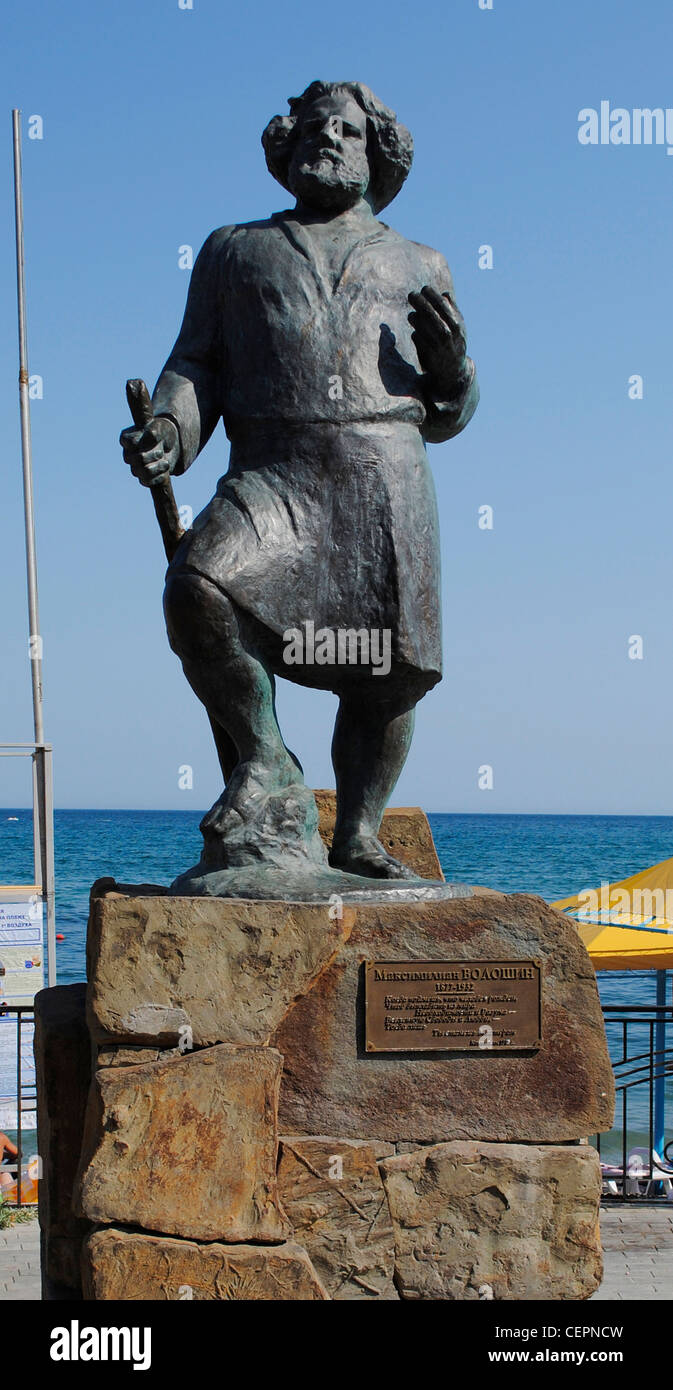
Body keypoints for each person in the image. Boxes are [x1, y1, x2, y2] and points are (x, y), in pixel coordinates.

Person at [121, 80, 478, 882]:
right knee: (198, 588)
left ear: (376, 152)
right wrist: (170, 434)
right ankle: (267, 764)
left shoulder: (420, 262)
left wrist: (454, 371)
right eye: (313, 128)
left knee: (387, 673)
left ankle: (355, 832)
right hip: (273, 470)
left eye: (347, 131)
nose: (328, 140)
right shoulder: (233, 249)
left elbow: (452, 414)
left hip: (383, 479)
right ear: (284, 147)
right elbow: (195, 364)